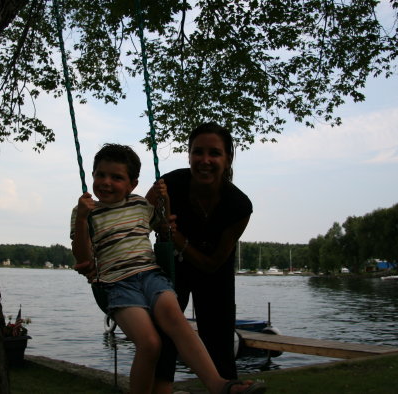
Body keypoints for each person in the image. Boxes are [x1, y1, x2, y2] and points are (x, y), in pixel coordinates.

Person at [70, 143, 265, 394]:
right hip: (117, 284)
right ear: (93, 175)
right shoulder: (86, 212)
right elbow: (83, 257)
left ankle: (219, 384)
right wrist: (82, 219)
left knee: (176, 320)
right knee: (150, 343)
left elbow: (163, 227)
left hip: (151, 276)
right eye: (101, 175)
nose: (106, 182)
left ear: (132, 184)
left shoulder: (140, 205)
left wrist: (166, 202)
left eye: (116, 177)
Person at [145, 122, 253, 393]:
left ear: (228, 159)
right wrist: (154, 222)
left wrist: (176, 237)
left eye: (214, 153)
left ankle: (227, 386)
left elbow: (212, 264)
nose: (205, 160)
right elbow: (136, 224)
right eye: (198, 152)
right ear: (189, 155)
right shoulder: (168, 185)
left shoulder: (239, 205)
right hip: (172, 269)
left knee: (219, 336)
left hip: (215, 271)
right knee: (164, 334)